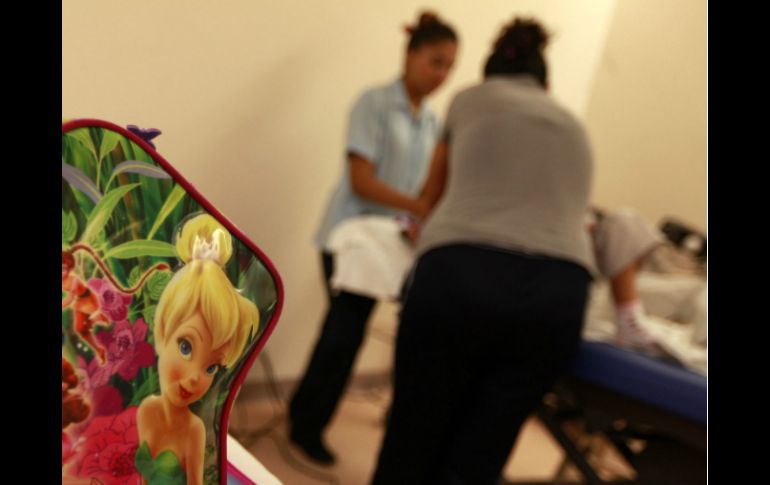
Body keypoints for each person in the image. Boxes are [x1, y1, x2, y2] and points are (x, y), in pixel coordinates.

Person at [371, 17, 595, 484]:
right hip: (558, 293)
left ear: (490, 75)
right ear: (545, 85)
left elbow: (432, 195)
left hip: (463, 275)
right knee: (482, 452)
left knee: (415, 432)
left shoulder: (469, 100)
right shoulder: (573, 125)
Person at [288, 11, 459, 465]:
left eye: (449, 67)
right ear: (410, 55)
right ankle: (305, 425)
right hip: (349, 237)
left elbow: (427, 192)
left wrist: (425, 212)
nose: (441, 75)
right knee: (343, 334)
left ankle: (317, 415)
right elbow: (361, 181)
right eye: (435, 62)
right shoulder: (374, 103)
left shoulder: (432, 124)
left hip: (390, 243)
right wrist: (418, 206)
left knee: (369, 332)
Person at [136, 213, 259, 485]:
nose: (194, 377)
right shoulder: (147, 411)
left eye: (212, 367)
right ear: (162, 331)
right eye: (185, 347)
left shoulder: (194, 431)